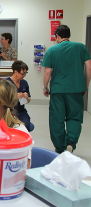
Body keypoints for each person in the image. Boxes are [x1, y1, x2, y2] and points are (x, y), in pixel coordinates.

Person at [42, 25, 91, 153]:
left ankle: (60, 147)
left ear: (57, 36)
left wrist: (45, 87)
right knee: (74, 117)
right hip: (76, 89)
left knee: (56, 118)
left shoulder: (52, 50)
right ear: (69, 35)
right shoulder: (81, 47)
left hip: (58, 90)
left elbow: (47, 71)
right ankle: (71, 142)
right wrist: (86, 85)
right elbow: (89, 67)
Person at [6, 60, 32, 132]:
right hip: (9, 111)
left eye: (25, 73)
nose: (24, 75)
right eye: (23, 74)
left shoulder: (24, 83)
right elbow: (3, 100)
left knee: (25, 125)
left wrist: (27, 98)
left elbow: (29, 100)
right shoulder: (6, 83)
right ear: (16, 72)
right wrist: (15, 96)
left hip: (21, 111)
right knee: (11, 128)